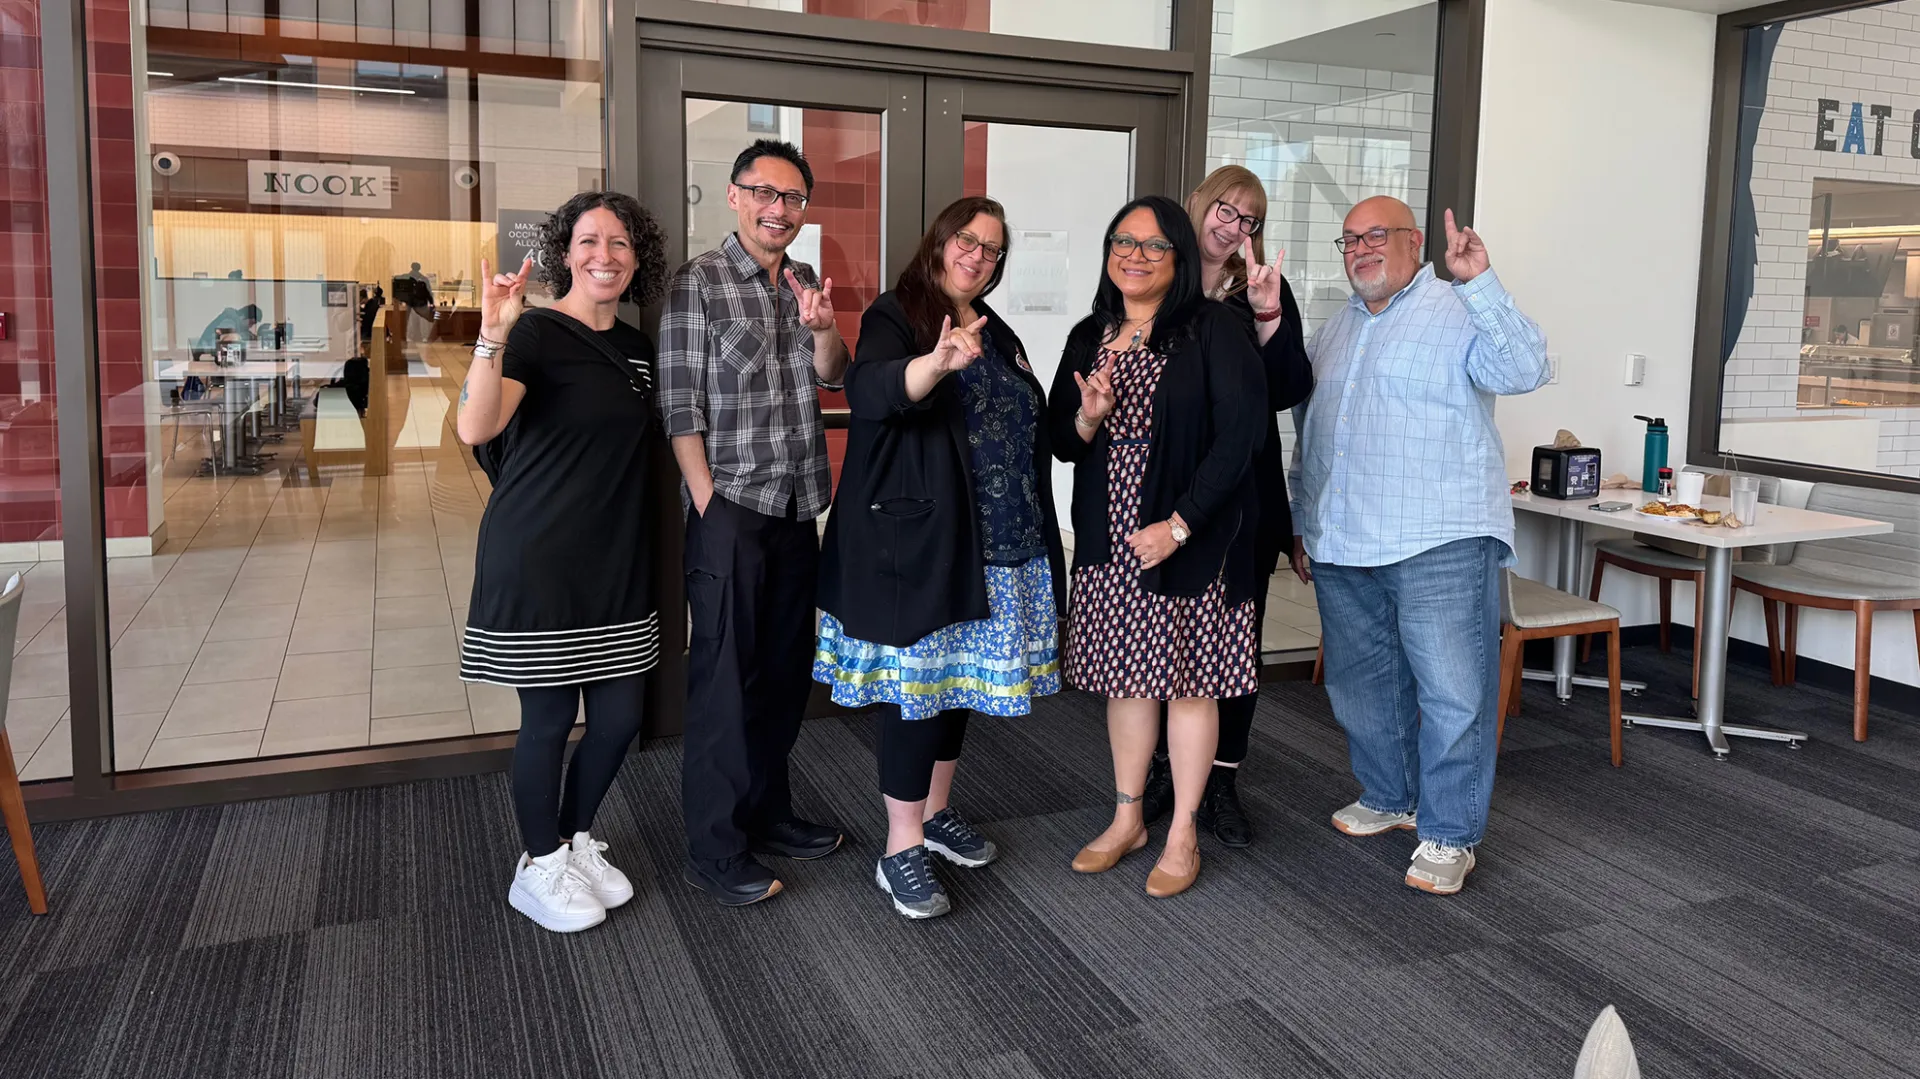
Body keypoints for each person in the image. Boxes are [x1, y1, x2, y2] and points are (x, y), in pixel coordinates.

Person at [1288, 197, 1548, 896]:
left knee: (1453, 691)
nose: (1361, 249)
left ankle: (1450, 831)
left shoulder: (1456, 306)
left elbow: (1526, 369)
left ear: (1413, 243)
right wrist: (1302, 520)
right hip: (1345, 538)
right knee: (1361, 683)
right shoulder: (1333, 330)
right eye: (1349, 240)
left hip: (1440, 535)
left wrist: (1481, 279)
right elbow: (1315, 435)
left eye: (1377, 235)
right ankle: (1389, 794)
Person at [815, 197, 1065, 920]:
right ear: (939, 242)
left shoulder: (997, 327)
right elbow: (869, 391)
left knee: (958, 689)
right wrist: (934, 364)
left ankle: (934, 813)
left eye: (991, 248)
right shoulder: (903, 312)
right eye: (966, 240)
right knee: (919, 694)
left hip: (996, 544)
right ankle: (900, 847)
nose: (977, 255)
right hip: (927, 544)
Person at [454, 190, 670, 933]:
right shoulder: (536, 334)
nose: (603, 255)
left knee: (617, 719)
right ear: (563, 251)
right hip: (540, 552)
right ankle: (537, 862)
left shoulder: (641, 347)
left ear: (637, 259)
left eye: (619, 243)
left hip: (616, 558)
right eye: (588, 240)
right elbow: (475, 425)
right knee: (548, 719)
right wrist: (490, 336)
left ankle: (574, 841)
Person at [1050, 195, 1265, 899]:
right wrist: (1088, 418)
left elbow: (1242, 437)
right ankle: (1128, 819)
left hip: (1189, 535)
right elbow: (1058, 440)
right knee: (1129, 678)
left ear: (1178, 257)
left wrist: (1179, 524)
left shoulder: (1210, 330)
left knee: (1191, 682)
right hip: (1112, 539)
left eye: (1152, 245)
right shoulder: (1090, 334)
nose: (1133, 256)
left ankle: (1183, 833)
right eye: (1122, 241)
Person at [658, 139, 851, 907]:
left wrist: (826, 328)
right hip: (731, 509)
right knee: (722, 684)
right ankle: (715, 843)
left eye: (794, 198)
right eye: (765, 193)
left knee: (781, 676)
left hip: (800, 505)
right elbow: (679, 405)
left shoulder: (803, 281)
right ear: (734, 196)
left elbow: (833, 373)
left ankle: (769, 812)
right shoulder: (695, 284)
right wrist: (709, 502)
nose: (780, 209)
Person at [1138, 165, 1314, 848]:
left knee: (1235, 649)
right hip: (1164, 495)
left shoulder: (1262, 291)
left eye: (1249, 219)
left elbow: (1289, 386)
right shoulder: (1156, 279)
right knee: (1161, 641)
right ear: (1199, 205)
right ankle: (1161, 770)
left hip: (1243, 497)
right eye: (1225, 208)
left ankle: (1221, 780)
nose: (1233, 225)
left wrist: (1268, 316)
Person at [191, 303, 260, 362]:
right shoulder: (229, 321)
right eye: (251, 323)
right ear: (243, 316)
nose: (250, 326)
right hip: (206, 359)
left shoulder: (235, 322)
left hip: (212, 357)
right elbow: (225, 342)